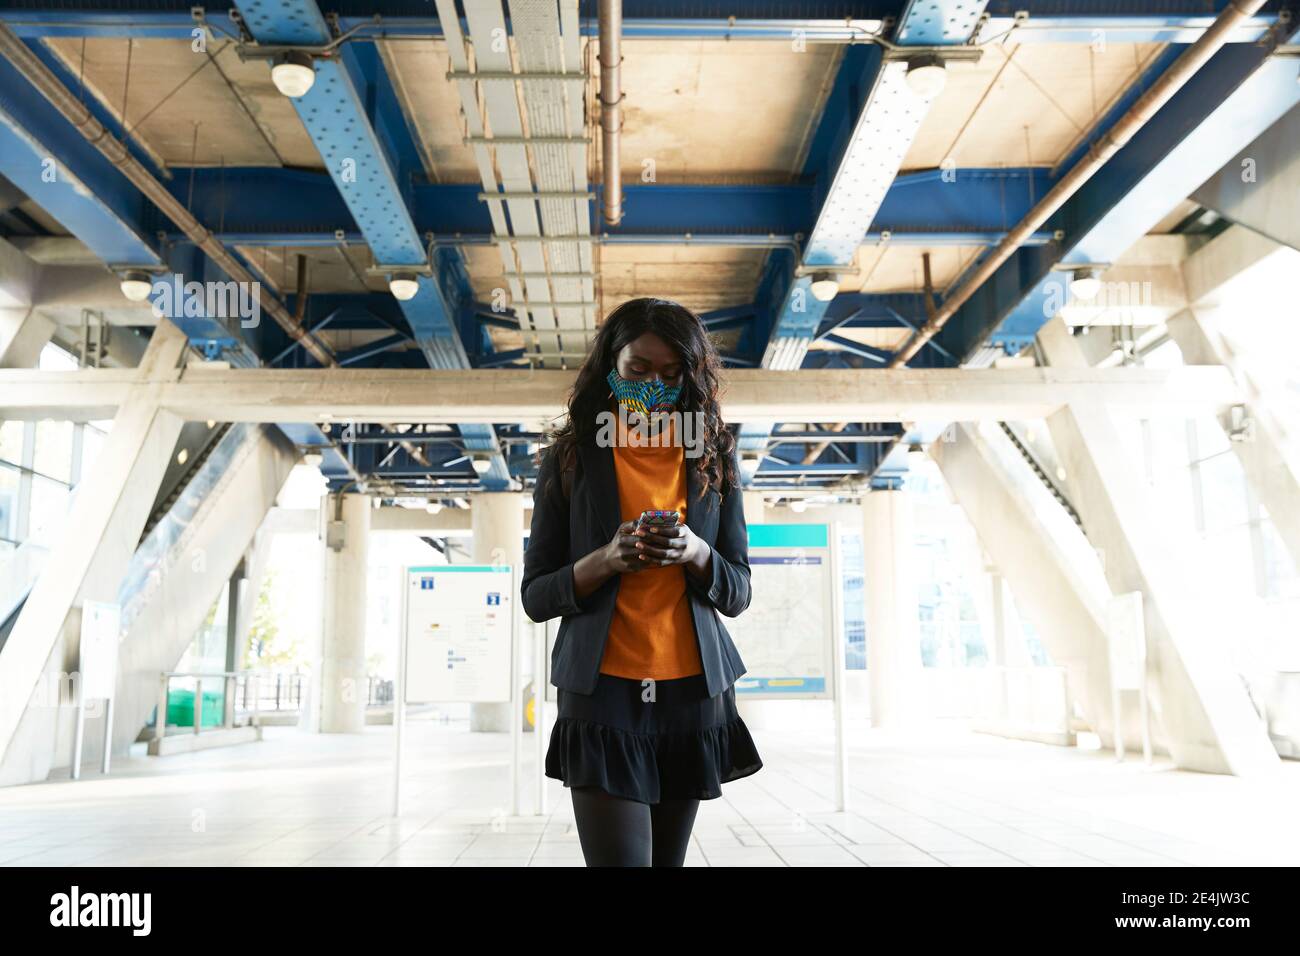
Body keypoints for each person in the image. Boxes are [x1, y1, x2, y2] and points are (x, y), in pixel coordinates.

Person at [521, 296, 763, 867]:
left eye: (672, 374)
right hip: (602, 695)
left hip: (691, 697)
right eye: (639, 369)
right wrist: (607, 559)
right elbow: (536, 596)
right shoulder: (571, 458)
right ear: (611, 363)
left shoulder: (713, 457)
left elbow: (738, 591)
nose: (654, 385)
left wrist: (696, 551)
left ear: (690, 376)